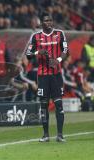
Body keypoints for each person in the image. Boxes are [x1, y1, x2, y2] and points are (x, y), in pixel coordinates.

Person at [26, 12, 68, 142]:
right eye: (46, 21)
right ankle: (46, 135)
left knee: (59, 105)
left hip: (56, 75)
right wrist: (38, 51)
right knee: (43, 105)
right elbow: (28, 53)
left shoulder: (60, 34)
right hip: (42, 76)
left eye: (50, 20)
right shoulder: (36, 36)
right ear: (41, 23)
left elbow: (66, 50)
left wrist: (59, 60)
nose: (49, 23)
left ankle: (60, 135)